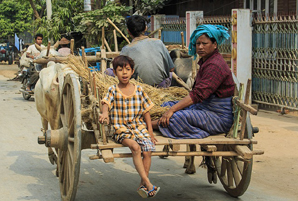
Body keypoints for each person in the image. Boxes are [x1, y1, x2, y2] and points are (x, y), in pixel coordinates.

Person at [152, 24, 235, 139]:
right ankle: (156, 122)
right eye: (197, 44)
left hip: (217, 116)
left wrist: (171, 111)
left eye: (204, 44)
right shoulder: (207, 61)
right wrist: (171, 108)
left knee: (176, 117)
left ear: (214, 45)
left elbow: (198, 95)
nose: (200, 47)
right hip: (203, 108)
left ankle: (147, 125)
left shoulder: (215, 65)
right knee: (167, 104)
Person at [99, 55, 160, 198]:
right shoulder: (112, 90)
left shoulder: (139, 90)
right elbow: (105, 103)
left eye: (127, 69)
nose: (124, 73)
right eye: (120, 70)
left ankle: (142, 185)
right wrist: (105, 113)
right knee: (135, 147)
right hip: (121, 129)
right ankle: (148, 183)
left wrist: (150, 132)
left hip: (139, 128)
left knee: (147, 150)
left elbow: (146, 111)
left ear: (132, 72)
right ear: (115, 73)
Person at [119, 15, 175, 88]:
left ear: (128, 31)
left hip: (139, 87)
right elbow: (171, 68)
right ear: (145, 28)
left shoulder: (126, 50)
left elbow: (121, 74)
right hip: (161, 86)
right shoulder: (158, 43)